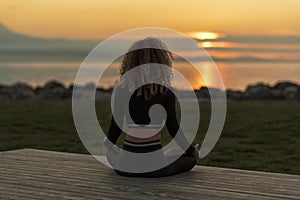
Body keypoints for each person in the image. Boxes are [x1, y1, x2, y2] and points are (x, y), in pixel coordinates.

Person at [104, 37, 200, 177]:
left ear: (130, 62)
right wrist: (192, 151)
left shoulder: (121, 89)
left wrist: (108, 145)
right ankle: (170, 155)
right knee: (190, 160)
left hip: (124, 167)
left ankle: (165, 154)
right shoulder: (165, 92)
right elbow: (173, 128)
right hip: (154, 168)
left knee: (112, 152)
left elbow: (116, 126)